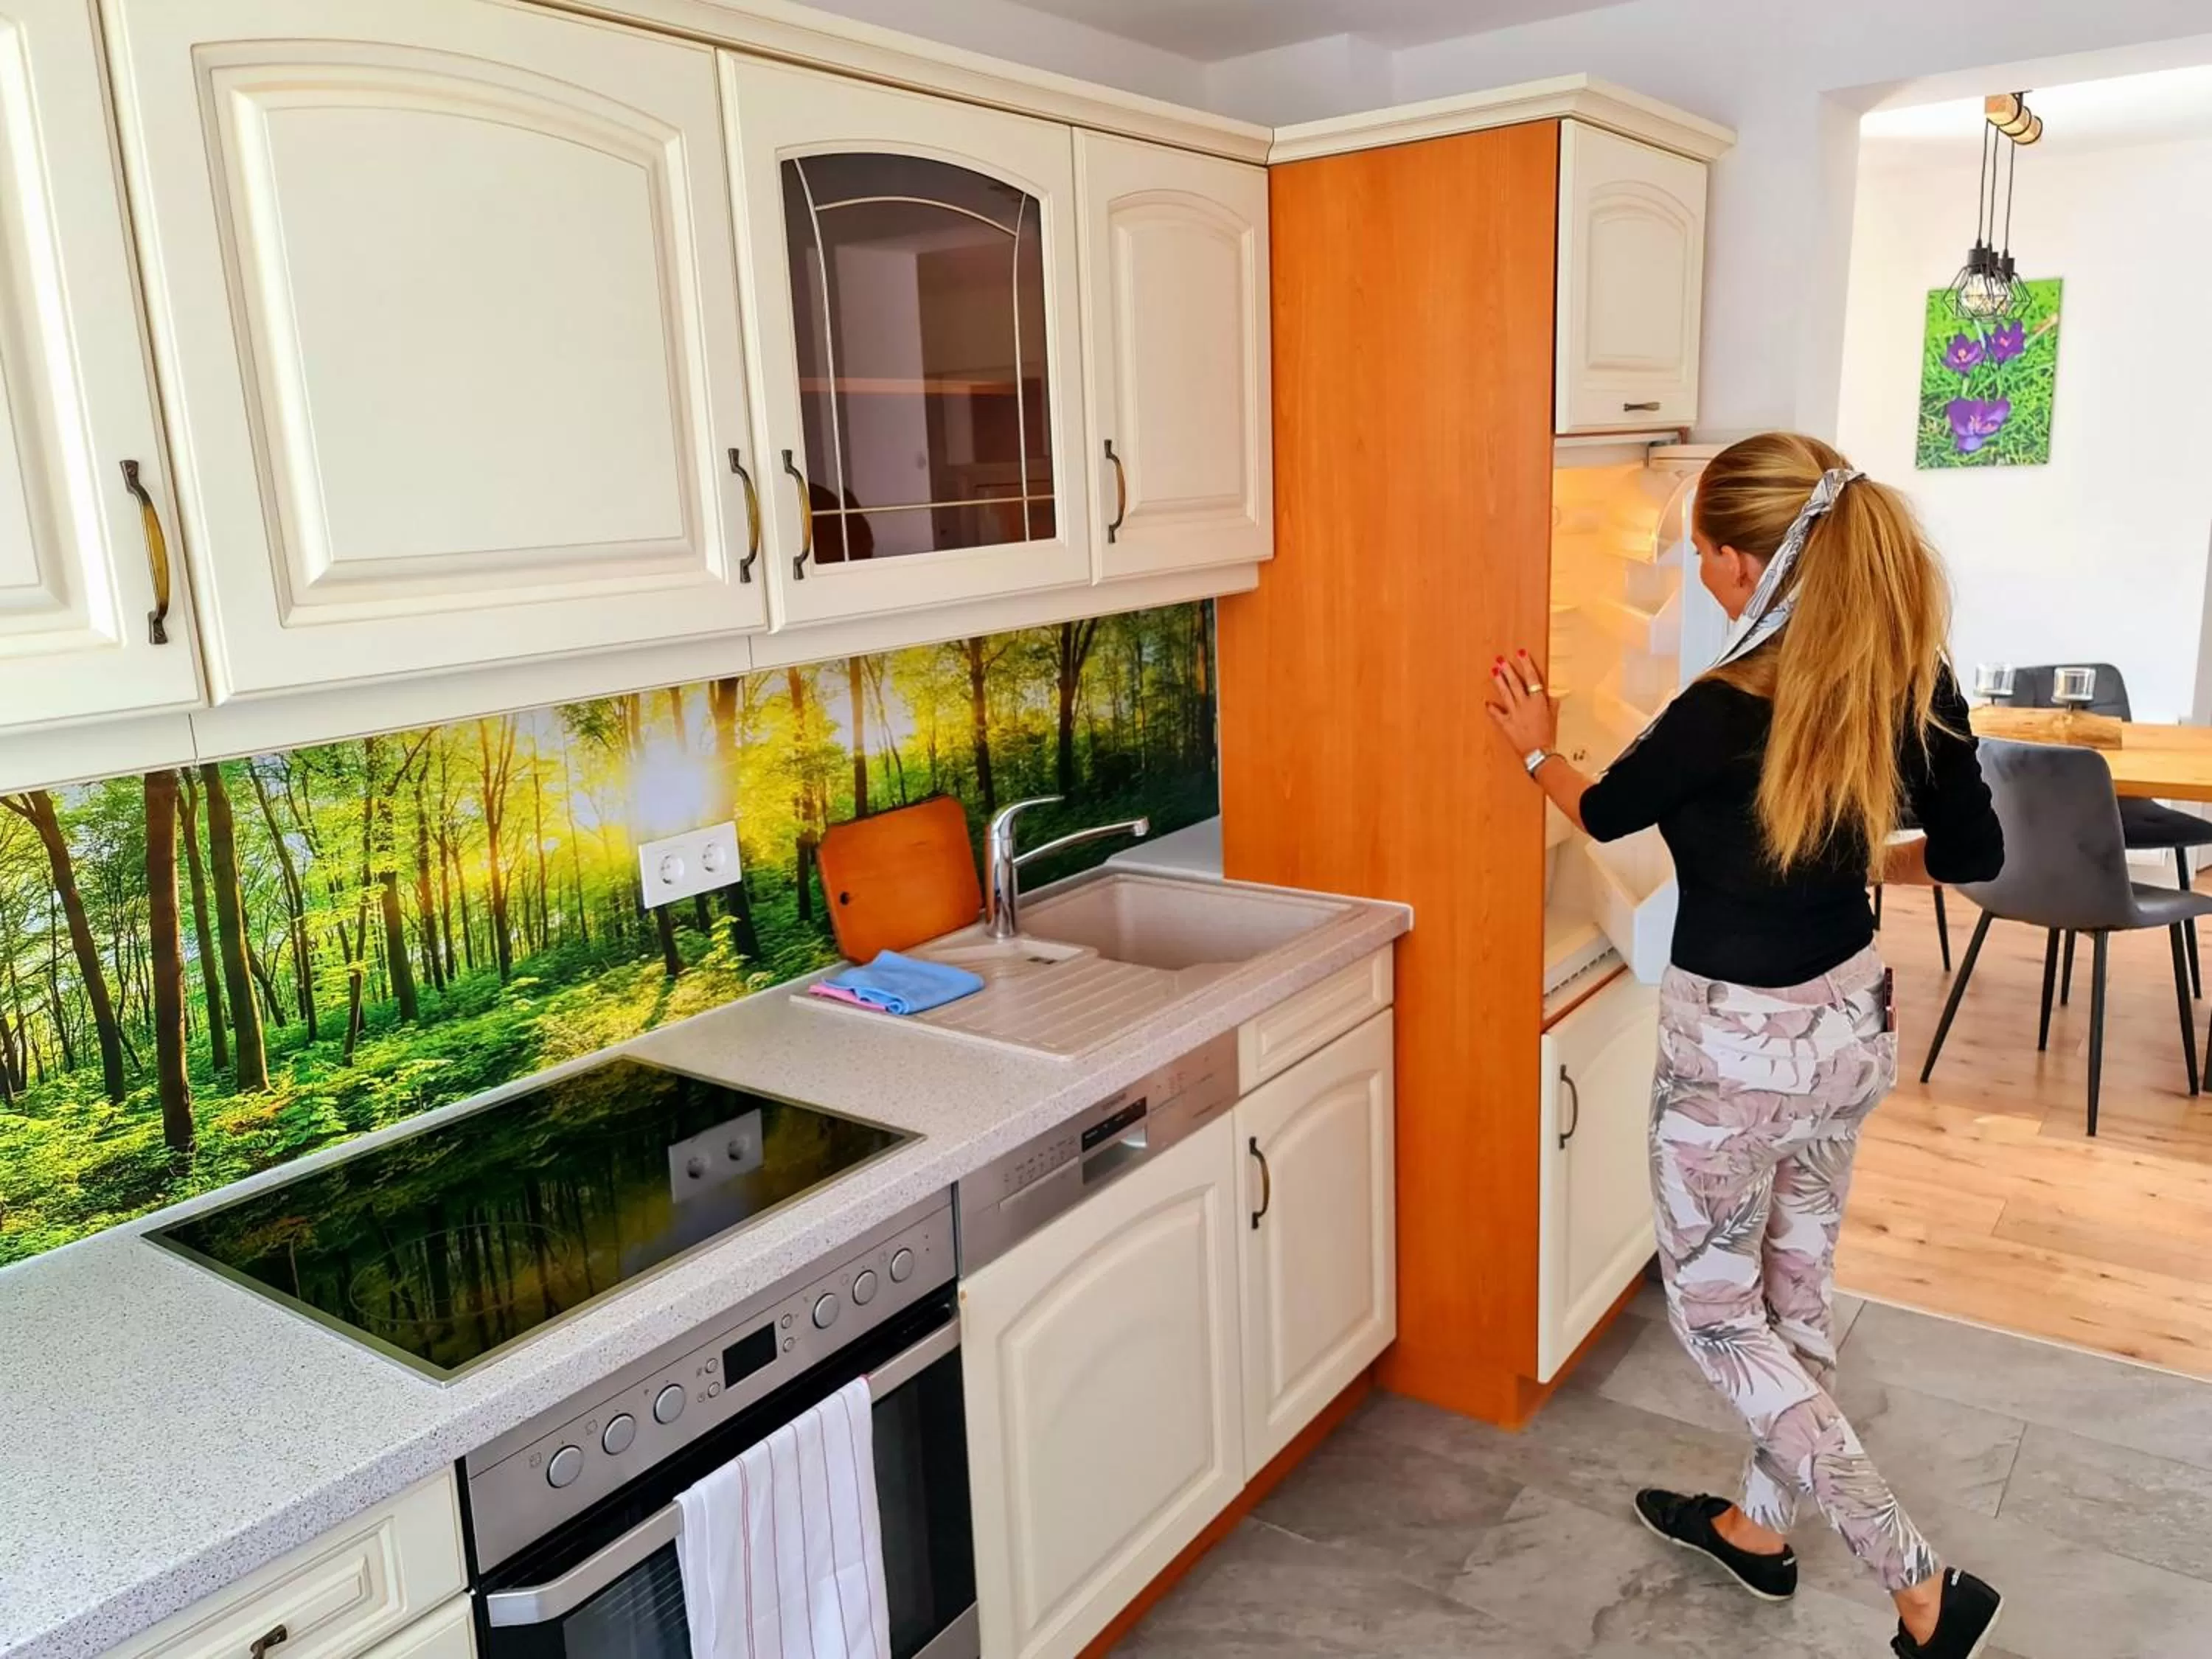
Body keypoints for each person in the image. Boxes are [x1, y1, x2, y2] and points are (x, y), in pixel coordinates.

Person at [1486, 432, 2006, 1659]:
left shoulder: (1720, 710)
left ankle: (1918, 1578)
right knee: (1792, 1293)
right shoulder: (1910, 677)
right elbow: (1977, 856)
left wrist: (1531, 740)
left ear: (1750, 561)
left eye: (1712, 561)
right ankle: (1756, 1529)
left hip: (1735, 1058)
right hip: (1850, 1029)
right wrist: (1853, 847)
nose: (1711, 583)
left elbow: (1605, 808)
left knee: (1720, 1318)